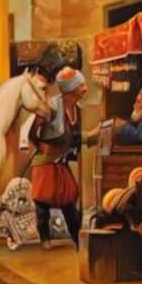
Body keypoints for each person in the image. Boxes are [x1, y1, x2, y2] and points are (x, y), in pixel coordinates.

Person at [28, 66, 90, 249]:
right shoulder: (51, 106)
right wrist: (42, 148)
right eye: (81, 85)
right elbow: (32, 132)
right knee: (42, 202)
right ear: (70, 89)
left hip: (61, 162)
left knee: (69, 201)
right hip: (45, 162)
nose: (85, 88)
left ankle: (78, 241)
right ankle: (45, 239)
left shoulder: (78, 110)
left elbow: (76, 138)